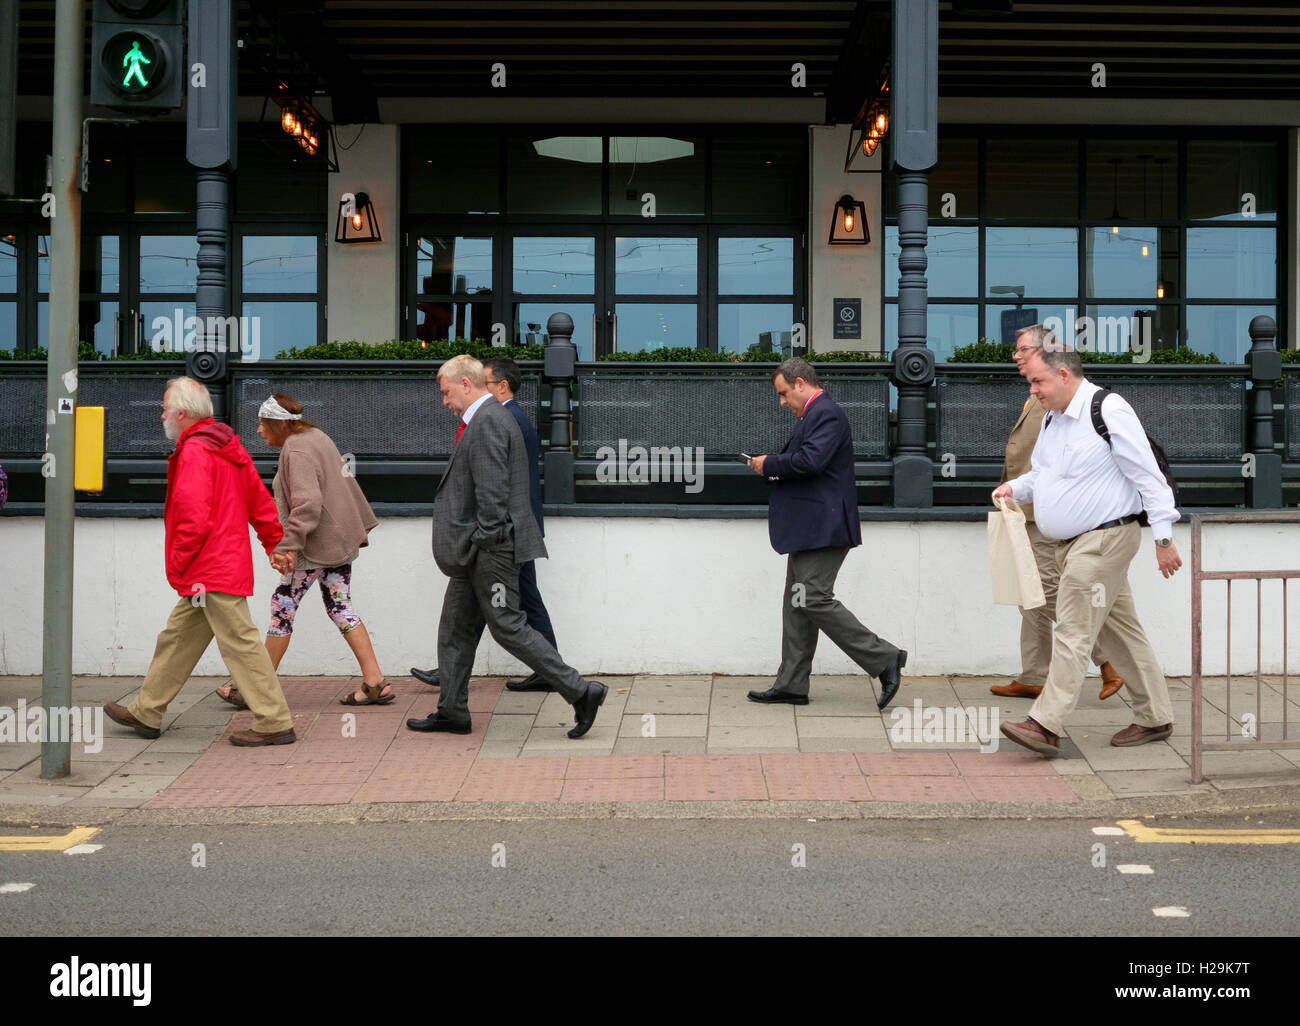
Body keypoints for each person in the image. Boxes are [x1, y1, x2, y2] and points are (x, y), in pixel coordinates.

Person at [993, 344, 1181, 757]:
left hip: (1104, 540)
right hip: (1074, 544)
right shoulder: (1052, 421)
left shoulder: (1108, 409)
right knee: (1122, 633)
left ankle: (1045, 723)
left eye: (1038, 381)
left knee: (1073, 630)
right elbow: (1043, 474)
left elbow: (1149, 476)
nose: (1034, 390)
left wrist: (1164, 539)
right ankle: (1155, 716)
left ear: (1063, 375)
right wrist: (1015, 487)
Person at [408, 355, 606, 737]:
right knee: (455, 629)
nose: (444, 402)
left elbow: (493, 494)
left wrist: (484, 540)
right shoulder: (488, 419)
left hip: (490, 550)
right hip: (477, 550)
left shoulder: (487, 422)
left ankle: (581, 691)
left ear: (466, 385)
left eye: (446, 393)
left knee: (508, 626)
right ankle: (452, 711)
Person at [104, 377, 296, 747]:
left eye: (164, 408)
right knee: (178, 638)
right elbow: (259, 501)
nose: (161, 415)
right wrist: (275, 543)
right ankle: (147, 711)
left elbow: (193, 517)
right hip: (220, 566)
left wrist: (178, 563)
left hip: (208, 570)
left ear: (180, 413)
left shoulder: (194, 452)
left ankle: (273, 721)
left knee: (240, 644)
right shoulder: (228, 448)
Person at [744, 357, 906, 709]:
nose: (782, 402)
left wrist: (768, 463)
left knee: (812, 597)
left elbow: (809, 462)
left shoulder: (826, 413)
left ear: (801, 383)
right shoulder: (815, 414)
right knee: (797, 603)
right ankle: (791, 685)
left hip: (825, 527)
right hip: (812, 526)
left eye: (784, 393)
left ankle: (884, 658)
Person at [216, 393, 388, 709]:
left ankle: (255, 688)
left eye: (261, 423)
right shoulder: (314, 436)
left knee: (283, 606)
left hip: (315, 545)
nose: (258, 430)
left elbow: (307, 505)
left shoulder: (296, 451)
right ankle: (374, 680)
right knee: (340, 605)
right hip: (336, 541)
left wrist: (288, 546)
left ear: (278, 424)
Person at [410, 357, 558, 694]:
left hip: (505, 534)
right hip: (504, 532)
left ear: (502, 386)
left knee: (514, 613)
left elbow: (495, 486)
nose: (483, 390)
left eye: (487, 383)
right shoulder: (503, 418)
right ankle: (451, 675)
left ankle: (558, 674)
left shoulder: (502, 419)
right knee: (480, 612)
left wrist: (487, 538)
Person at [994, 324, 1124, 703]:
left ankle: (1109, 658)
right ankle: (1034, 674)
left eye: (1022, 349)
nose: (1015, 356)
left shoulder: (1066, 397)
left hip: (1047, 514)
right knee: (1027, 593)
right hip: (1025, 508)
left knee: (1045, 592)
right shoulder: (1038, 393)